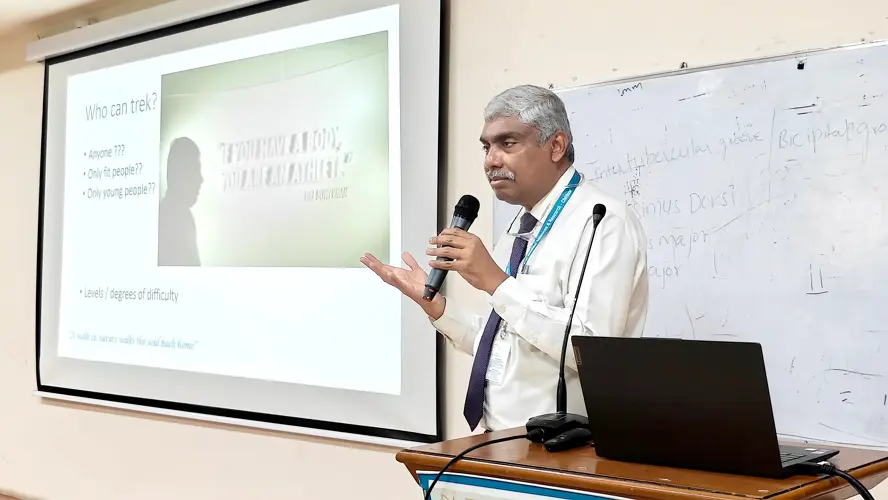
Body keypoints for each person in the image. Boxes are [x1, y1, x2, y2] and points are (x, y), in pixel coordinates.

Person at [361, 84, 649, 432]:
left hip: (566, 448)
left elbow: (592, 353)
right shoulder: (521, 224)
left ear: (555, 146)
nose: (491, 160)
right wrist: (438, 306)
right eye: (486, 146)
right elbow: (505, 341)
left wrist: (496, 281)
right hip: (502, 439)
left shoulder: (601, 221)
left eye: (507, 143)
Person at [157, 136, 203, 266]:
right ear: (180, 174)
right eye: (195, 169)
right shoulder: (176, 220)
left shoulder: (183, 217)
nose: (201, 179)